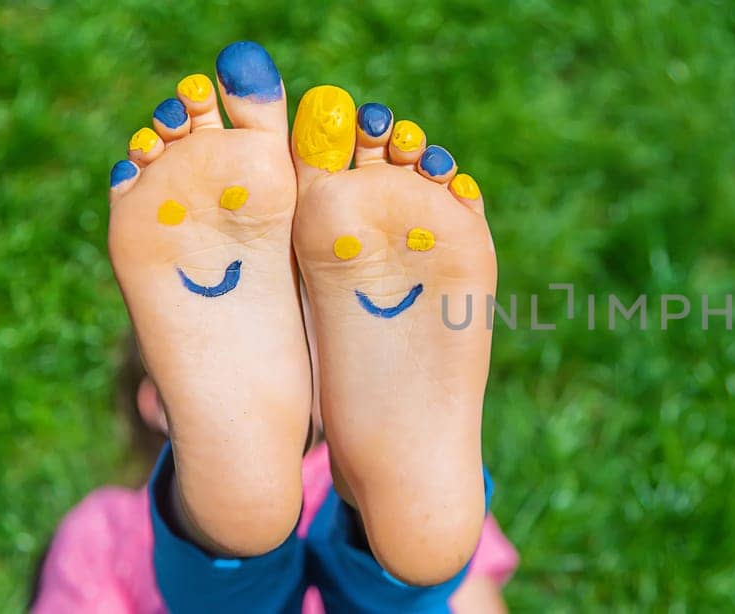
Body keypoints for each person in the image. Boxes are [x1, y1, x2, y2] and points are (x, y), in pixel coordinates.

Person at [33, 40, 508, 613]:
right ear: (157, 399)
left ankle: (218, 540)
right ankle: (361, 544)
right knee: (412, 554)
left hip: (235, 564)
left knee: (393, 526)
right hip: (399, 529)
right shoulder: (432, 491)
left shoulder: (104, 531)